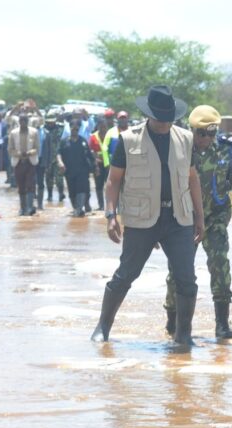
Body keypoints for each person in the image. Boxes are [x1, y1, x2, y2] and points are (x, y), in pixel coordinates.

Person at [91, 85, 205, 350]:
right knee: (126, 274)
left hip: (178, 218)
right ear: (149, 115)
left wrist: (199, 216)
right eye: (159, 118)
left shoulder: (185, 139)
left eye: (168, 118)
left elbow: (192, 179)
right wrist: (111, 215)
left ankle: (183, 335)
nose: (164, 123)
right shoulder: (128, 140)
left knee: (186, 278)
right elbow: (113, 180)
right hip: (141, 218)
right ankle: (103, 327)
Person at [163, 105, 232, 339]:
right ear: (192, 130)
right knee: (178, 272)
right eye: (202, 133)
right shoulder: (178, 150)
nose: (206, 138)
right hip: (184, 220)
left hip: (215, 219)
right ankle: (173, 321)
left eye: (212, 133)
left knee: (220, 266)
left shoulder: (226, 151)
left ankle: (222, 324)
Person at [58, 119, 94, 217]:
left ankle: (79, 209)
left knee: (81, 190)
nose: (75, 131)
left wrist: (95, 168)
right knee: (72, 192)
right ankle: (76, 209)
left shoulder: (83, 141)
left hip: (82, 171)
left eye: (76, 129)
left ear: (79, 129)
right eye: (73, 129)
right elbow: (58, 153)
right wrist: (60, 163)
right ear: (70, 129)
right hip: (69, 171)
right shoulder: (64, 141)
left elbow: (90, 156)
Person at [8, 114, 39, 216]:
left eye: (25, 120)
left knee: (30, 185)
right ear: (19, 121)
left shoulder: (34, 132)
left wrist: (29, 153)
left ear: (28, 121)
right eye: (21, 120)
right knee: (21, 186)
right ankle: (22, 208)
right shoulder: (13, 133)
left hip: (30, 161)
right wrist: (19, 154)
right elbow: (10, 149)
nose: (23, 122)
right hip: (18, 162)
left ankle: (29, 207)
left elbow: (37, 148)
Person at [41, 109, 65, 203]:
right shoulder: (43, 129)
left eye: (52, 122)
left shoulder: (60, 128)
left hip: (58, 156)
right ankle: (50, 195)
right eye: (49, 122)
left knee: (59, 178)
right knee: (48, 178)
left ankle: (61, 194)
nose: (50, 124)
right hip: (48, 157)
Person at [88, 118, 109, 211]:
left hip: (109, 165)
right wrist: (95, 163)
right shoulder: (93, 137)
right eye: (101, 127)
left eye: (104, 127)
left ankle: (110, 205)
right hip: (98, 165)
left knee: (109, 185)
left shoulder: (110, 135)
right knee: (99, 185)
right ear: (98, 127)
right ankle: (101, 205)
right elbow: (91, 151)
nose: (103, 129)